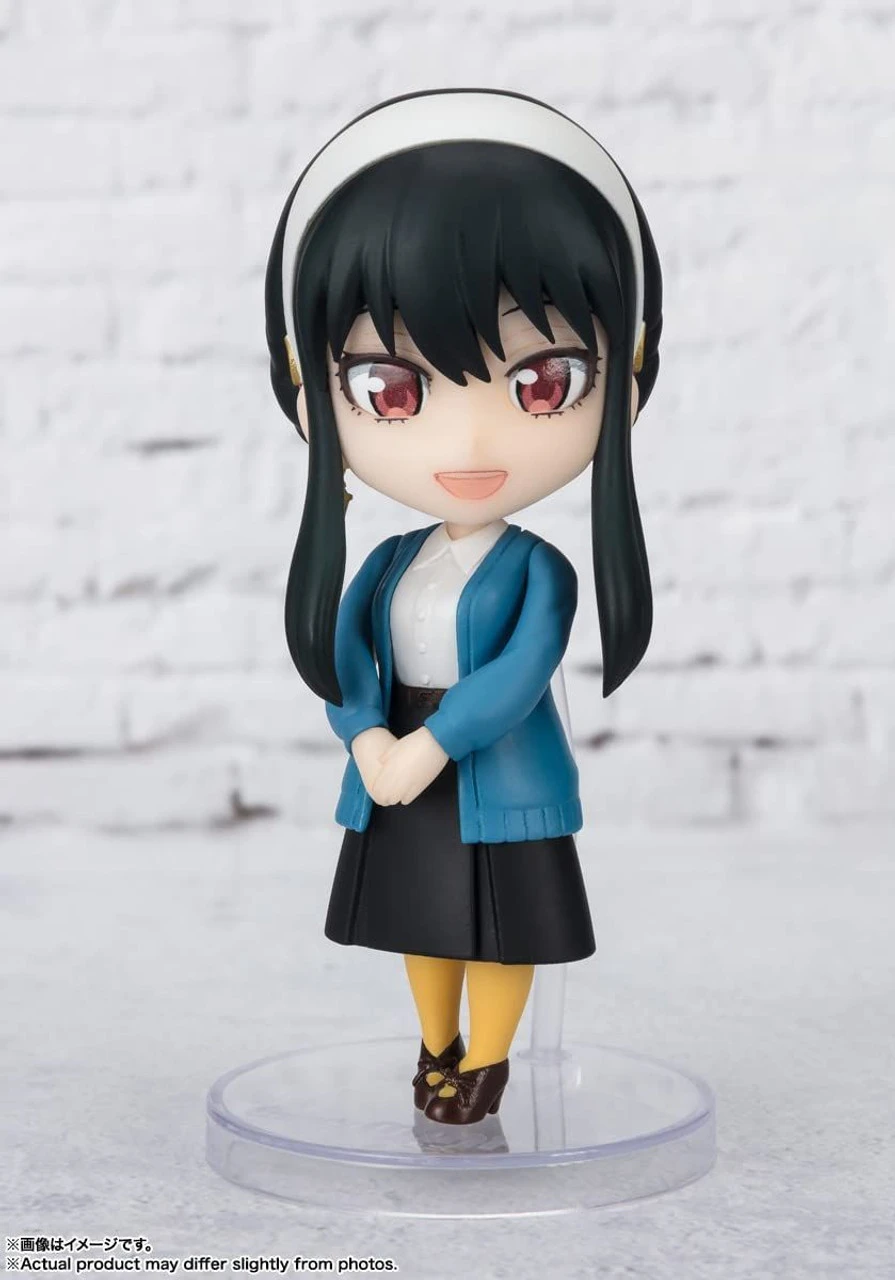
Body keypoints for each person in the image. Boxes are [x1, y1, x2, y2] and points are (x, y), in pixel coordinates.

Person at [264, 88, 662, 1125]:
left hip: (493, 768)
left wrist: (431, 745)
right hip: (394, 761)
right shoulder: (389, 560)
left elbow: (519, 675)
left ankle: (486, 1061)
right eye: (391, 390)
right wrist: (366, 737)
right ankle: (433, 1043)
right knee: (420, 920)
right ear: (310, 391)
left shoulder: (539, 570)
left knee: (504, 929)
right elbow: (347, 655)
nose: (470, 445)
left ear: (623, 376)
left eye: (543, 382)